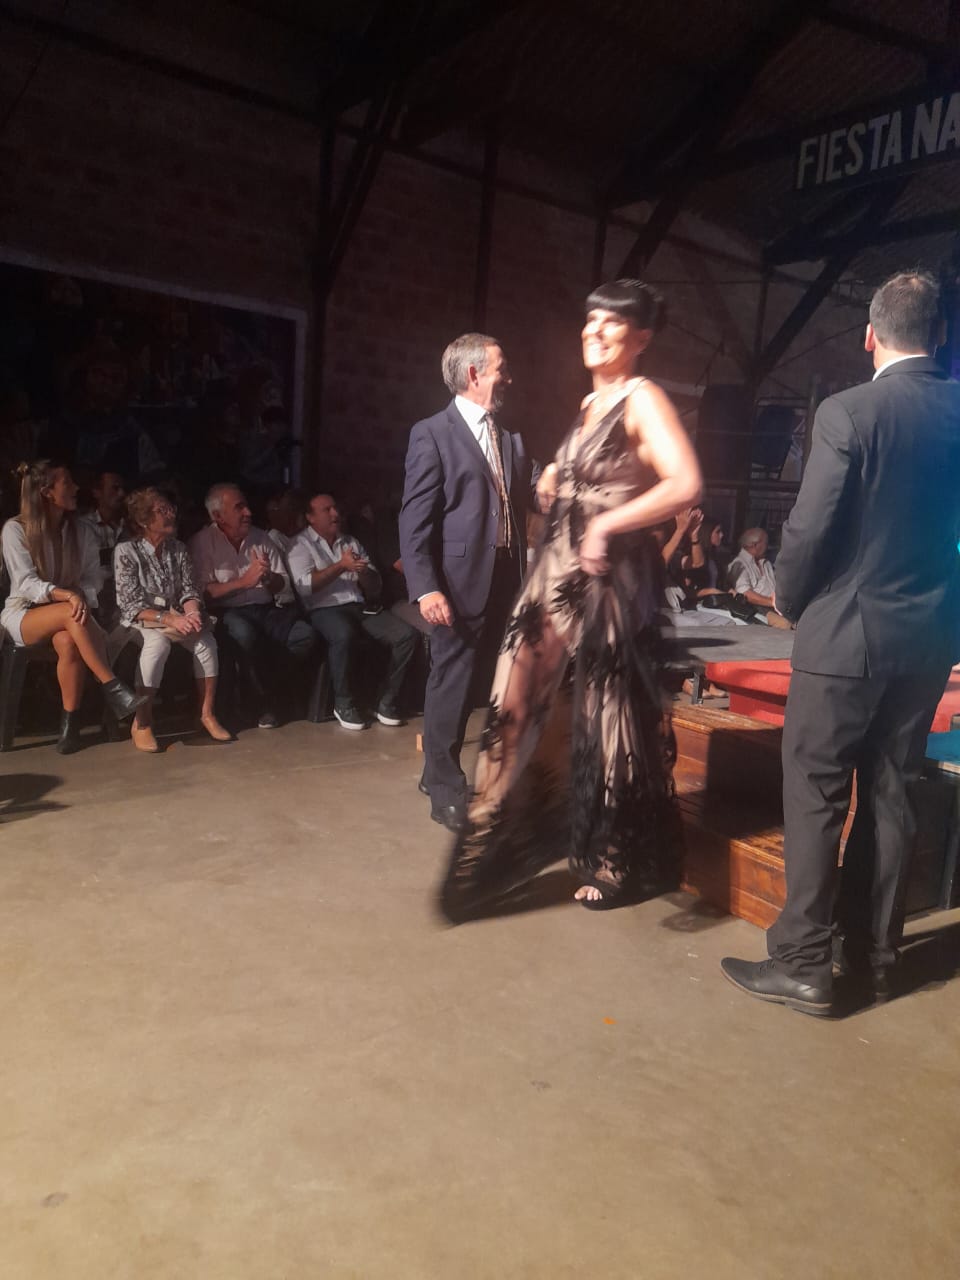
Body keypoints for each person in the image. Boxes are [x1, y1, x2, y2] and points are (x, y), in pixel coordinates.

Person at [721, 270, 960, 1016]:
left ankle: (801, 963)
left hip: (845, 638)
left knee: (817, 795)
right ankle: (875, 958)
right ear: (940, 335)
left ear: (869, 335)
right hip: (927, 642)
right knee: (891, 792)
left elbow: (811, 525)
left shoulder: (849, 412)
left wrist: (788, 600)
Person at [438, 280, 702, 920]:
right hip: (556, 567)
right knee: (515, 693)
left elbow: (685, 483)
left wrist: (609, 524)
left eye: (613, 323)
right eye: (591, 320)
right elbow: (591, 476)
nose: (596, 331)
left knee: (609, 715)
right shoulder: (590, 402)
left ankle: (616, 858)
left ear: (641, 338)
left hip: (611, 574)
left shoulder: (644, 398)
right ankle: (494, 836)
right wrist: (556, 476)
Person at [399, 333, 539, 830]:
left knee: (496, 681)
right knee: (452, 683)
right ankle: (443, 785)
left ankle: (461, 773)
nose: (509, 377)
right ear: (474, 373)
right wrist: (426, 587)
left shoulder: (510, 436)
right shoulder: (432, 433)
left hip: (506, 577)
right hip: (457, 584)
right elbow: (414, 519)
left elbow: (533, 488)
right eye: (501, 368)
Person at [1, 460, 144, 753]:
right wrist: (67, 596)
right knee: (71, 612)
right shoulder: (15, 529)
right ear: (46, 492)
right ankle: (112, 687)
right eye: (67, 482)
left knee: (68, 641)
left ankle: (70, 727)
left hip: (70, 615)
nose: (76, 487)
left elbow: (94, 577)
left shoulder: (81, 531)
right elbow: (26, 583)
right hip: (25, 614)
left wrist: (77, 595)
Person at [190, 483, 316, 729]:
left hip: (265, 609)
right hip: (227, 611)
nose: (248, 512)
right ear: (218, 516)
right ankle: (263, 702)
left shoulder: (261, 538)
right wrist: (244, 582)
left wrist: (269, 578)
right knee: (244, 634)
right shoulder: (202, 542)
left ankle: (266, 690)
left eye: (246, 506)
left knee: (305, 635)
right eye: (239, 508)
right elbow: (203, 593)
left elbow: (282, 585)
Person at [113, 487, 230, 752]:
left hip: (174, 617)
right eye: (161, 510)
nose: (170, 514)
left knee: (205, 641)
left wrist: (192, 613)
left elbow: (189, 589)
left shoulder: (177, 549)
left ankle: (206, 714)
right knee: (157, 644)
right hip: (138, 621)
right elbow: (130, 605)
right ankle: (142, 721)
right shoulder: (126, 551)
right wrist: (169, 619)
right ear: (143, 520)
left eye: (170, 509)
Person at [288, 492, 417, 730]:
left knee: (406, 635)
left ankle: (385, 700)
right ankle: (343, 704)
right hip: (323, 609)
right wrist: (341, 566)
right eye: (326, 510)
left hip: (358, 606)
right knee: (343, 634)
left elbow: (375, 587)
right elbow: (305, 586)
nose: (335, 514)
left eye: (335, 508)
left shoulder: (350, 542)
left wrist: (364, 573)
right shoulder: (299, 545)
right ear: (310, 517)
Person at [727, 528, 776, 606]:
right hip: (756, 608)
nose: (767, 546)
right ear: (755, 545)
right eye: (766, 543)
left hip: (774, 606)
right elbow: (744, 593)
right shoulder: (739, 564)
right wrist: (772, 603)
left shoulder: (766, 563)